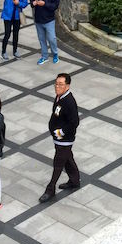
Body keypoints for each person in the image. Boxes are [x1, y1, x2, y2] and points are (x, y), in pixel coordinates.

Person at [39, 73, 80, 203]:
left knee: (58, 163)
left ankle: (50, 189)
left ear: (67, 86)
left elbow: (74, 122)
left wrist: (61, 132)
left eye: (60, 84)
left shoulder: (69, 101)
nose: (57, 86)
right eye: (56, 84)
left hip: (65, 139)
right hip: (58, 138)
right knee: (67, 159)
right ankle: (74, 181)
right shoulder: (59, 97)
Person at [31, 0, 60, 65]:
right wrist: (33, 3)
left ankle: (55, 54)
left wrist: (45, 4)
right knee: (42, 39)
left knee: (52, 39)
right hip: (38, 20)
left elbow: (55, 6)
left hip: (49, 20)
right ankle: (44, 56)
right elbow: (31, 1)